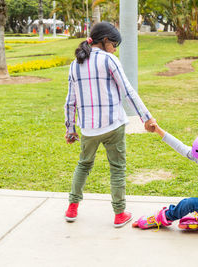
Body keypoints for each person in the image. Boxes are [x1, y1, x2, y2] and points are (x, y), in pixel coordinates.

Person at [64, 22, 155, 228]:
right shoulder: (109, 60)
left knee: (83, 165)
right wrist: (146, 117)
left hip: (88, 128)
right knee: (117, 168)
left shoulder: (74, 64)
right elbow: (128, 91)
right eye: (114, 44)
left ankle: (72, 208)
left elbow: (70, 101)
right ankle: (119, 214)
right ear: (105, 40)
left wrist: (70, 129)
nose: (115, 49)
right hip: (113, 125)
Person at [135, 122, 198, 245]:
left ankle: (163, 217)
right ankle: (193, 212)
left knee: (190, 203)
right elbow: (181, 147)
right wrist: (158, 130)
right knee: (194, 204)